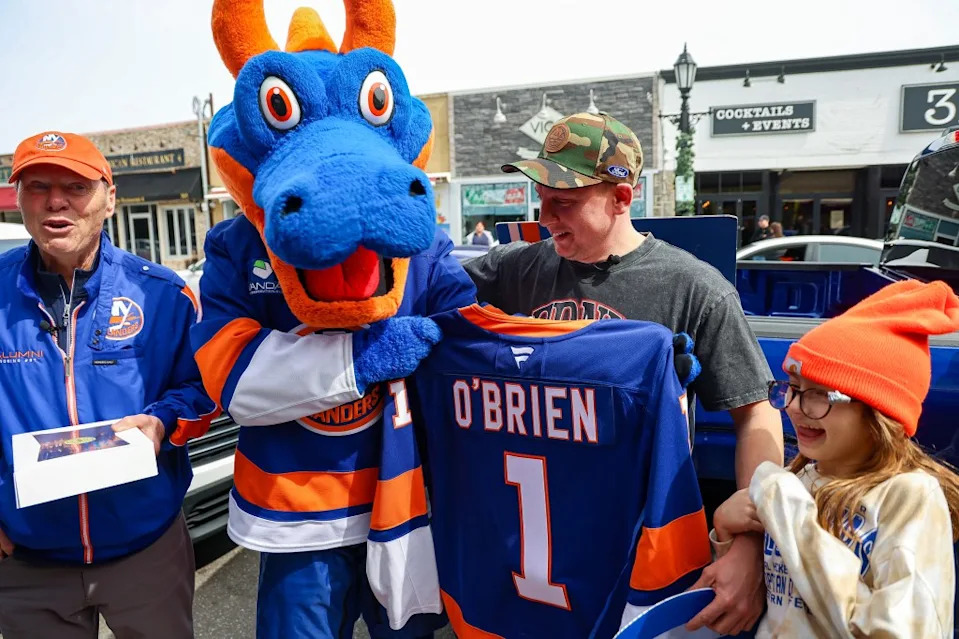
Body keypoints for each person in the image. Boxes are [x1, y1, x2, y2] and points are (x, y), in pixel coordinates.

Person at [463, 111, 784, 636]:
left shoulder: (692, 287)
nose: (546, 214)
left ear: (621, 198)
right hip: (533, 553)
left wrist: (750, 545)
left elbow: (756, 416)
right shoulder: (515, 269)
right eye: (541, 196)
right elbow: (426, 291)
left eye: (564, 201)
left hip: (638, 550)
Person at [0, 131, 217, 638]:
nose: (56, 200)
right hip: (27, 562)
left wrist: (163, 422)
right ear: (18, 199)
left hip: (146, 552)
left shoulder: (163, 294)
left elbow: (203, 389)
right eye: (37, 186)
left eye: (76, 186)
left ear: (110, 198)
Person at [711, 280, 959, 637]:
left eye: (820, 395)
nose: (795, 407)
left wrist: (789, 511)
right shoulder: (798, 484)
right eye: (792, 389)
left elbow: (898, 631)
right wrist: (725, 532)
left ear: (878, 412)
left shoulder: (910, 497)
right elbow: (767, 600)